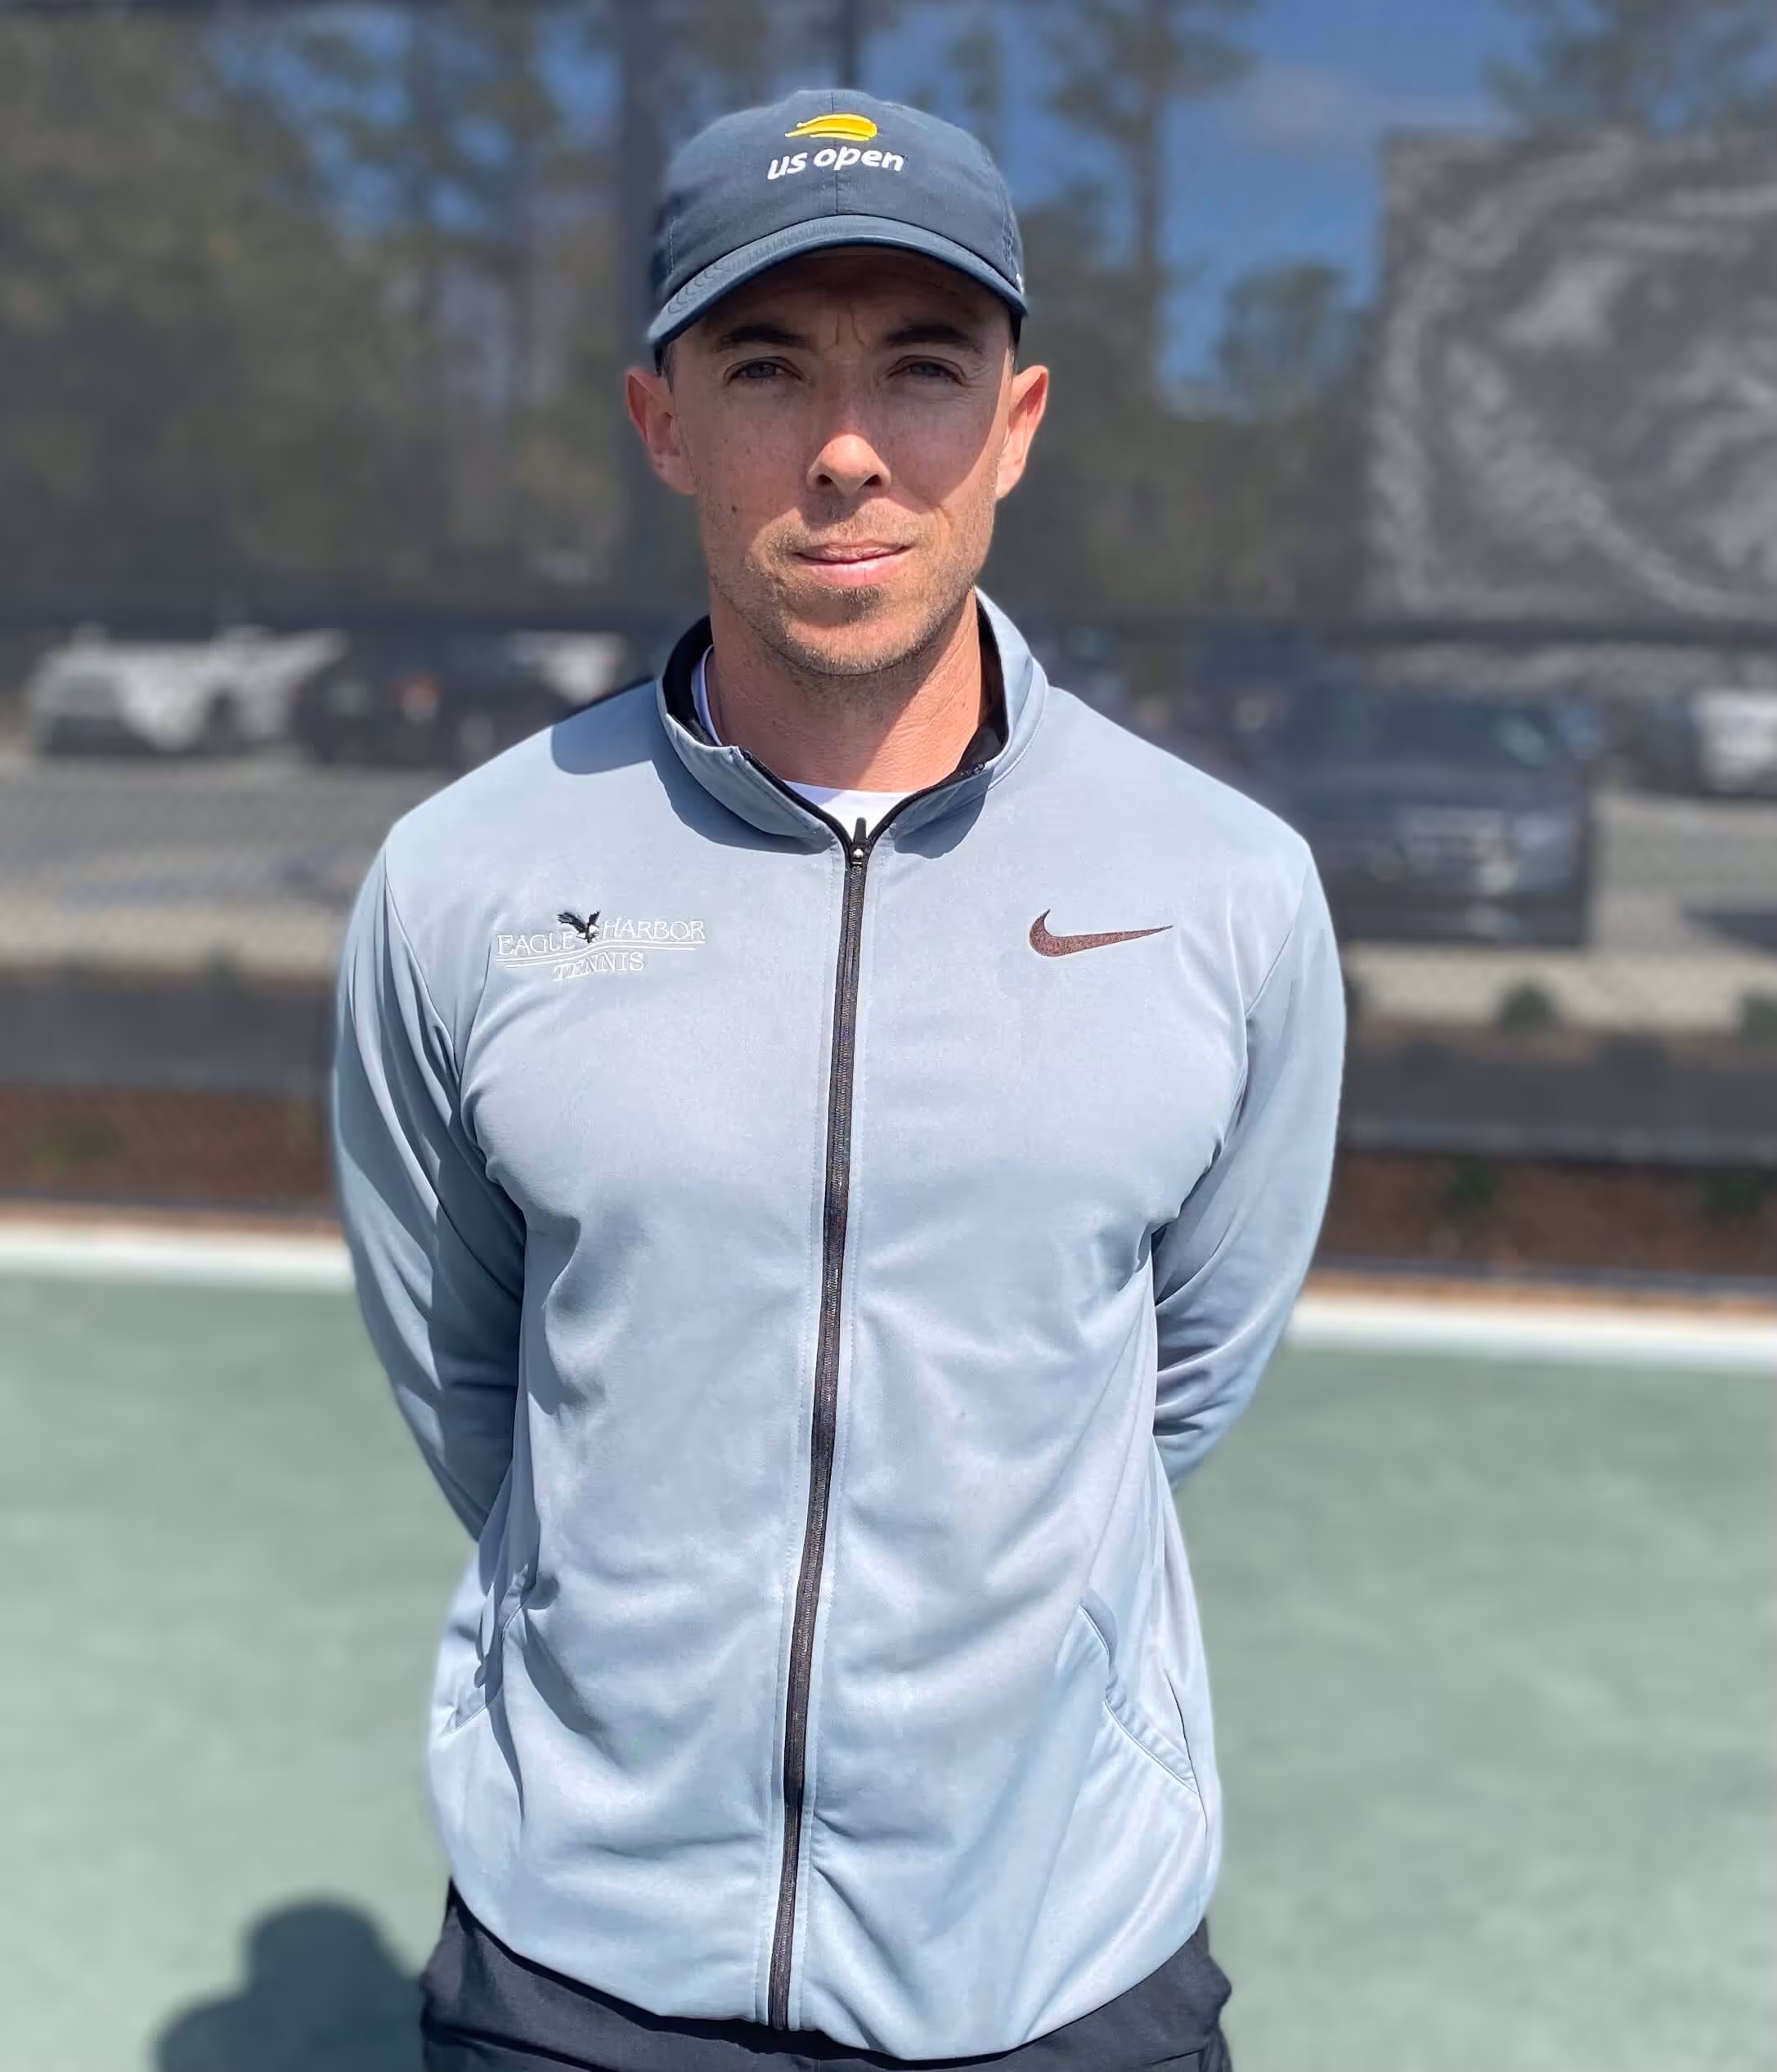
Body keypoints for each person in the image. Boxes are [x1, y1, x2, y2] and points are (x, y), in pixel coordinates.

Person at [331, 86, 1344, 2072]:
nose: (852, 447)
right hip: (577, 1982)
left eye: (923, 367)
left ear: (1018, 425)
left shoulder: (1228, 889)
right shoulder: (462, 878)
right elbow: (467, 1374)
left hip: (1059, 1973)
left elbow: (1187, 1371)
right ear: (666, 424)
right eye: (771, 364)